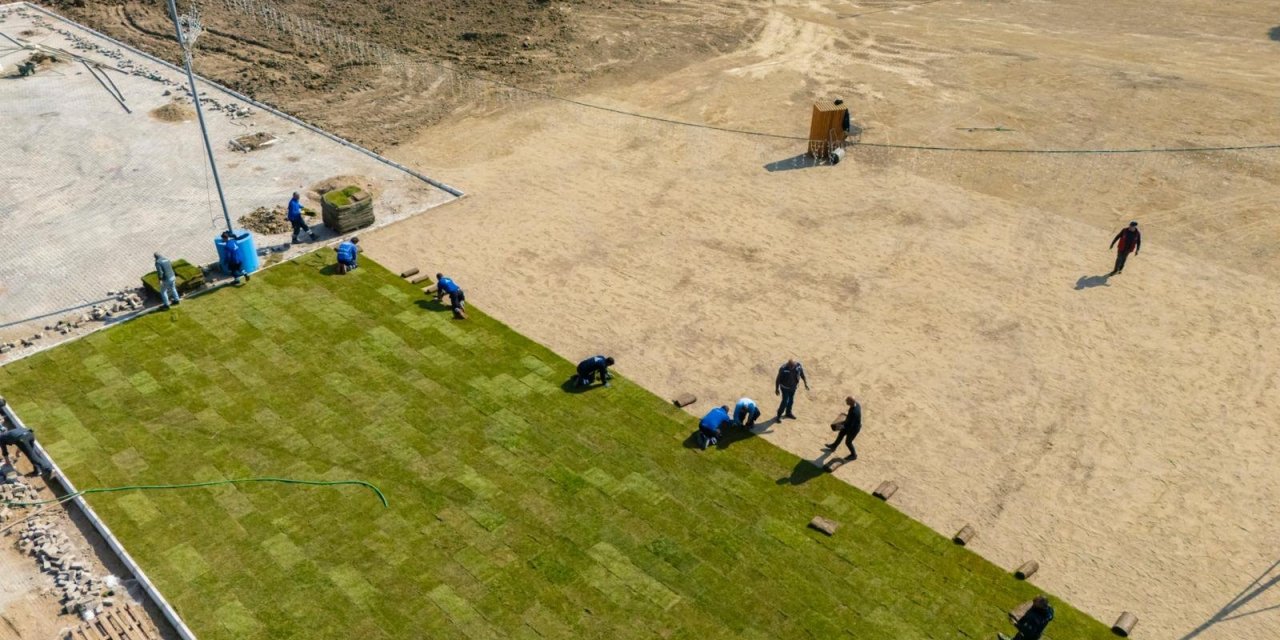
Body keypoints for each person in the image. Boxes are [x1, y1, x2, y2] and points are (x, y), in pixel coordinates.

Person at [824, 396, 862, 460]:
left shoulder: (854, 412)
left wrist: (840, 426)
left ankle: (854, 455)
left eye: (847, 401)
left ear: (851, 402)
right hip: (850, 424)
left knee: (848, 442)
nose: (846, 401)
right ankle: (834, 446)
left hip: (854, 429)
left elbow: (850, 425)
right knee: (841, 434)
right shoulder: (857, 404)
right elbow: (849, 420)